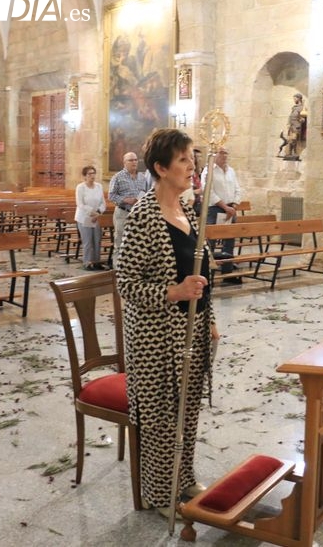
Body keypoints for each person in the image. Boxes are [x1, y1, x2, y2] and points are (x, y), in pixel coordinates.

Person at [115, 128, 218, 519]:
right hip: (155, 339)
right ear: (160, 168)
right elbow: (127, 283)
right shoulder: (144, 215)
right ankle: (161, 493)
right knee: (160, 419)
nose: (192, 166)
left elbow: (201, 272)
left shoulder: (188, 211)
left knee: (188, 409)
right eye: (183, 160)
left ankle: (185, 475)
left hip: (191, 331)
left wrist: (210, 318)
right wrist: (173, 293)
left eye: (192, 157)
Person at [202, 146, 243, 281]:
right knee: (211, 241)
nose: (224, 155)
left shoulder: (231, 171)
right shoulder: (209, 171)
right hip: (215, 209)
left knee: (229, 241)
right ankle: (207, 272)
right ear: (215, 155)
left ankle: (227, 272)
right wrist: (225, 207)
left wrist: (234, 205)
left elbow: (237, 189)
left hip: (231, 209)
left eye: (226, 153)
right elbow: (208, 191)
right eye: (221, 153)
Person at [108, 151, 149, 254]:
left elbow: (146, 192)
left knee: (137, 243)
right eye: (131, 160)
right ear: (124, 162)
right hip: (123, 213)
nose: (134, 162)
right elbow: (111, 195)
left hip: (138, 214)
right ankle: (117, 268)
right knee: (120, 242)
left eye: (135, 160)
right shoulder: (117, 177)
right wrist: (126, 200)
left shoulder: (142, 177)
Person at [74, 165, 107, 271]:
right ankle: (87, 262)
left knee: (97, 240)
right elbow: (80, 203)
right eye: (89, 174)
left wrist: (98, 212)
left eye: (93, 173)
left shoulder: (99, 186)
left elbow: (103, 202)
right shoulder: (80, 187)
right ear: (85, 176)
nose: (92, 176)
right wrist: (91, 212)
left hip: (96, 217)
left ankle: (96, 262)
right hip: (84, 217)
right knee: (88, 241)